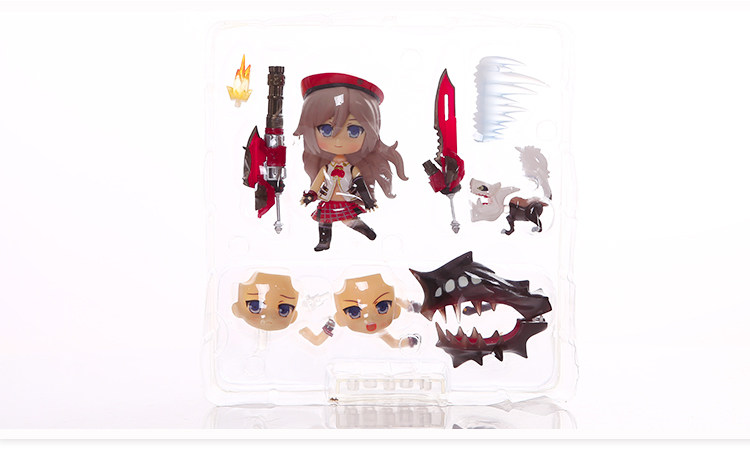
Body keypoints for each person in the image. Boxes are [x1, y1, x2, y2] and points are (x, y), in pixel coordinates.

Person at [294, 73, 407, 251]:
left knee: (348, 220)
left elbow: (360, 183)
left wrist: (367, 200)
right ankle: (324, 242)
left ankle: (366, 230)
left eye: (354, 131)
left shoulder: (351, 169)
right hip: (328, 200)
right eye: (325, 129)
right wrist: (311, 195)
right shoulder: (326, 168)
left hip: (345, 200)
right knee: (324, 220)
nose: (339, 140)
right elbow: (317, 183)